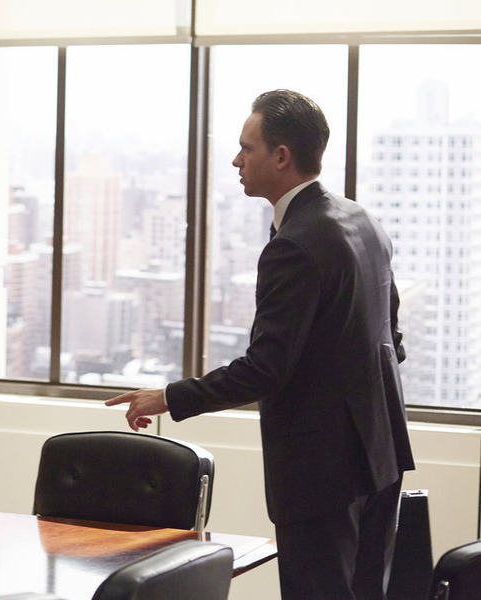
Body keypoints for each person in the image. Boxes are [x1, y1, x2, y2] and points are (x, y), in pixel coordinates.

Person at [106, 90, 414, 599]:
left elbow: (266, 369)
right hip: (380, 458)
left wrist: (169, 397)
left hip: (322, 477)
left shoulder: (295, 243)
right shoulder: (362, 221)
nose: (235, 160)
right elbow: (392, 339)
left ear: (281, 156)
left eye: (246, 148)